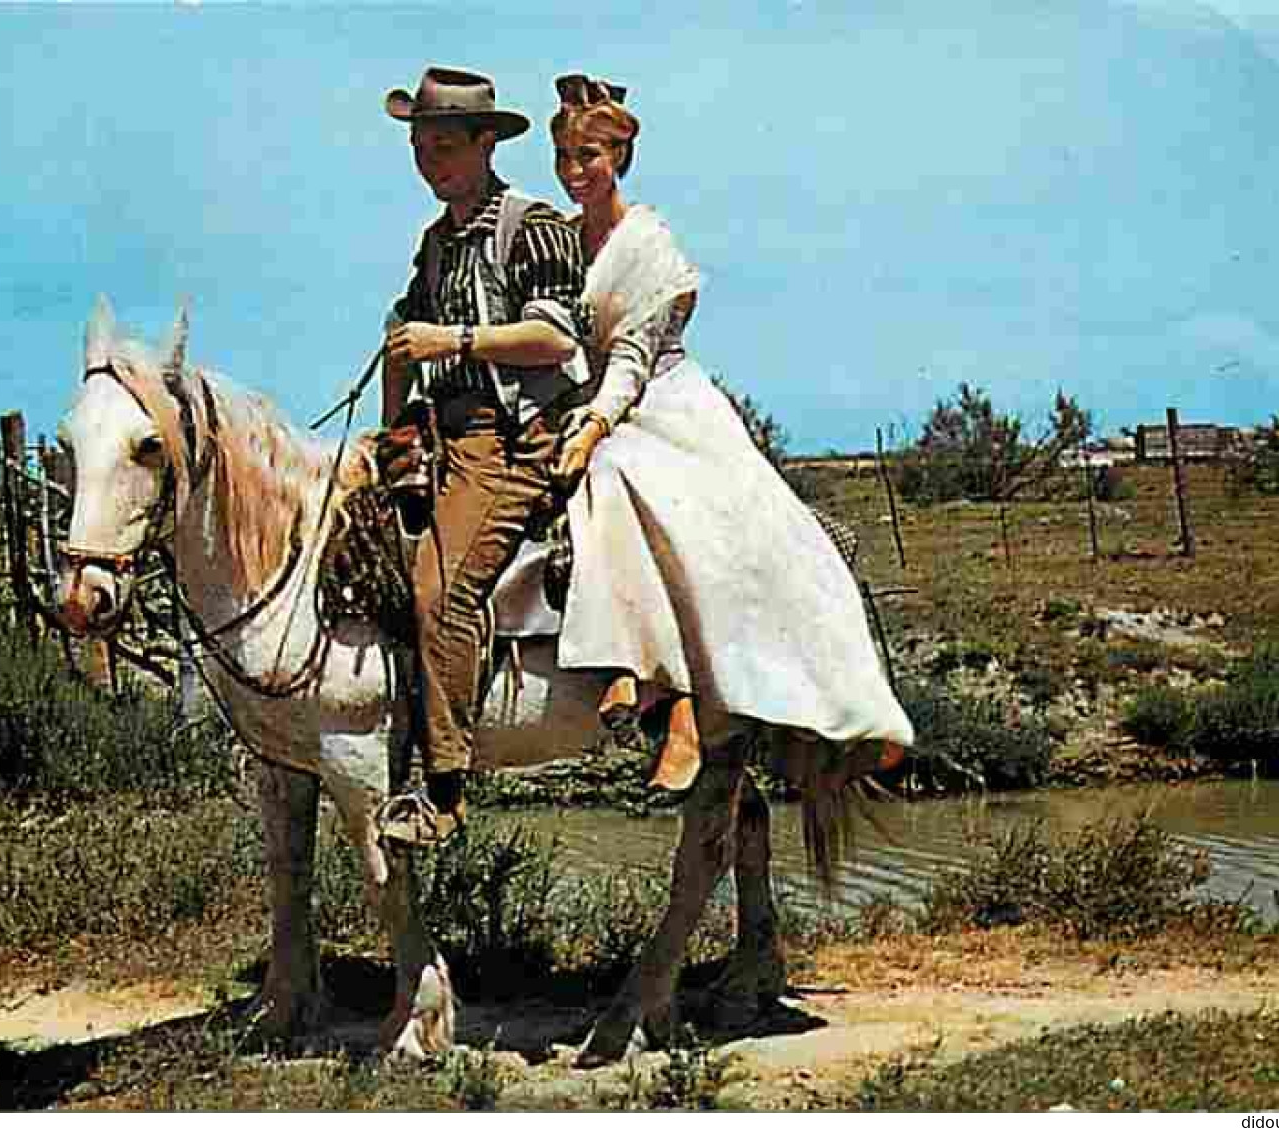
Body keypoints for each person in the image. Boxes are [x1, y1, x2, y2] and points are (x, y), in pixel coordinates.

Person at [546, 73, 914, 790]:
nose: (572, 172)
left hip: (659, 400)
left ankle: (658, 679)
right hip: (587, 396)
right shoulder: (559, 240)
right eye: (562, 157)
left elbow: (630, 357)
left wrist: (590, 427)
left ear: (617, 155)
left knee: (628, 481)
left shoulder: (648, 244)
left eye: (586, 156)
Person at [376, 67, 589, 848]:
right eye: (418, 146)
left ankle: (443, 788)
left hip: (512, 439)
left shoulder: (531, 227)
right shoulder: (434, 245)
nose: (428, 160)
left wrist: (452, 341)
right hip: (445, 432)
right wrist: (392, 429)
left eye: (442, 145)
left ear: (484, 143)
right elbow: (400, 338)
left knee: (442, 589)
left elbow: (556, 337)